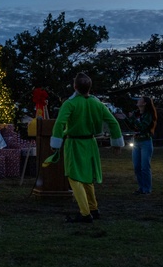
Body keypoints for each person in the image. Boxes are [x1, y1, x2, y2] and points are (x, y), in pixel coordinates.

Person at [46, 72, 124, 223]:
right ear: (90, 87)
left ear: (74, 86)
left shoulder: (70, 103)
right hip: (91, 143)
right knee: (88, 178)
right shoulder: (97, 103)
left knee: (74, 178)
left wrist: (55, 144)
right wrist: (116, 143)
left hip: (74, 143)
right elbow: (113, 123)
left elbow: (59, 123)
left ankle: (85, 213)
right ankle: (93, 208)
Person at [129, 96, 157, 195]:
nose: (138, 101)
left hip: (145, 142)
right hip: (136, 142)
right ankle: (141, 187)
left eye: (140, 100)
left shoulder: (148, 115)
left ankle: (147, 189)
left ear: (144, 103)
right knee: (137, 166)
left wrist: (132, 117)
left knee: (145, 166)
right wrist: (125, 118)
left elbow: (142, 127)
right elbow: (131, 125)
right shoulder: (136, 114)